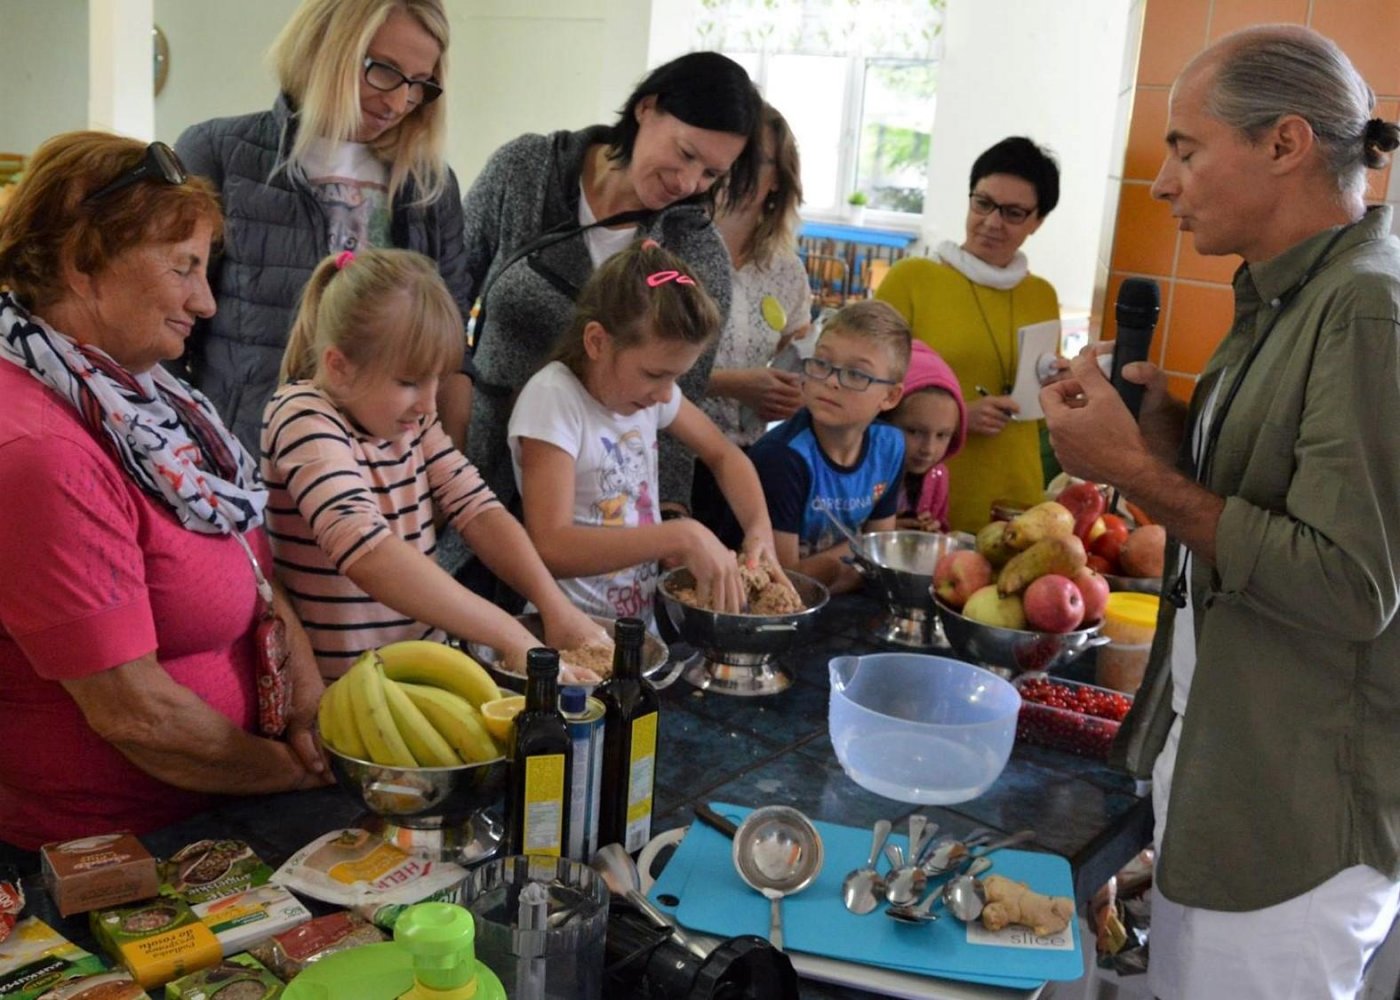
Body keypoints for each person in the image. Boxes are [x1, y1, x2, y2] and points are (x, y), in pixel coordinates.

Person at [1041, 25, 1400, 1000]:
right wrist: (1154, 437)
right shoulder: (1283, 299)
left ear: (1283, 144)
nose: (1162, 182)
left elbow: (1346, 584)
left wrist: (1135, 474)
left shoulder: (1365, 308)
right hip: (1223, 775)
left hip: (1291, 820)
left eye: (1185, 148)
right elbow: (1251, 505)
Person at [0, 132, 331, 856]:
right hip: (114, 851)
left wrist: (308, 713)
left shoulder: (138, 397)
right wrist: (289, 775)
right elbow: (134, 713)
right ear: (85, 262)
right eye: (184, 268)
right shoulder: (41, 450)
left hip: (213, 811)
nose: (206, 303)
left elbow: (255, 577)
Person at [262, 248, 606, 679]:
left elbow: (476, 507)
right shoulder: (302, 417)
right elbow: (366, 551)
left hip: (422, 673)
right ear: (339, 367)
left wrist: (554, 607)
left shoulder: (412, 422)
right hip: (345, 691)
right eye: (408, 382)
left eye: (436, 381)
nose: (428, 403)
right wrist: (510, 634)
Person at [462, 51, 764, 517]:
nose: (687, 182)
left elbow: (678, 407)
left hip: (599, 504)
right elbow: (445, 293)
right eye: (685, 153)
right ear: (646, 107)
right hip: (475, 466)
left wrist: (670, 521)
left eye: (711, 174)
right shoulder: (527, 171)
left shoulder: (697, 251)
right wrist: (443, 433)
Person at [174, 0, 474, 456]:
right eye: (383, 70)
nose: (397, 103)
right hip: (246, 469)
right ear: (325, 48)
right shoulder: (218, 153)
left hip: (386, 476)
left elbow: (449, 358)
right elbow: (170, 328)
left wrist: (444, 491)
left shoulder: (429, 185)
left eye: (418, 85)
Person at [510, 241, 783, 620]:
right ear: (596, 342)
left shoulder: (648, 394)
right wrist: (679, 535)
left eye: (678, 377)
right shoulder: (554, 399)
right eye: (654, 374)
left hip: (637, 628)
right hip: (567, 629)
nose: (667, 393)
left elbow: (724, 456)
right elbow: (549, 546)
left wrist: (759, 527)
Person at [876, 136, 1060, 533]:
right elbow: (870, 390)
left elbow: (1042, 408)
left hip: (1019, 497)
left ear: (1038, 220)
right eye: (983, 203)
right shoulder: (913, 279)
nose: (992, 222)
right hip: (927, 498)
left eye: (1013, 213)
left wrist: (1065, 388)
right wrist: (957, 417)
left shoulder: (1041, 295)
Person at [747, 300, 909, 594]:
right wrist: (857, 549)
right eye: (822, 363)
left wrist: (840, 563)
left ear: (891, 397)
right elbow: (786, 588)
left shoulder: (890, 447)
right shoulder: (782, 457)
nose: (832, 381)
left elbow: (880, 560)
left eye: (857, 374)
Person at [886, 341, 966, 533]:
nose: (928, 449)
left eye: (942, 435)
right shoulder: (861, 473)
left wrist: (933, 533)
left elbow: (942, 526)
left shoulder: (938, 477)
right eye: (914, 431)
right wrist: (880, 530)